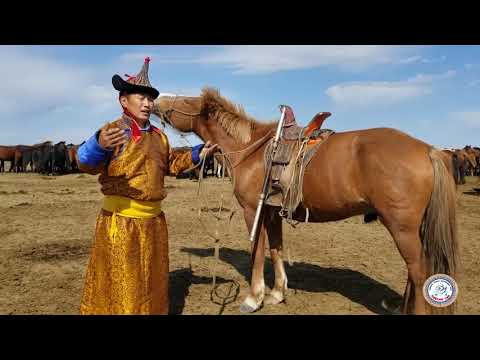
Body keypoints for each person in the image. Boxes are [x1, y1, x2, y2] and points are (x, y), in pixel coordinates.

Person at [77, 57, 216, 315]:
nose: (147, 103)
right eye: (140, 97)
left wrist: (199, 153)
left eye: (150, 99)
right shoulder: (113, 131)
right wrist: (97, 145)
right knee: (122, 287)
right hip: (120, 224)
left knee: (152, 285)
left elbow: (172, 163)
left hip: (154, 225)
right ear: (123, 100)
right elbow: (84, 162)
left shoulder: (159, 137)